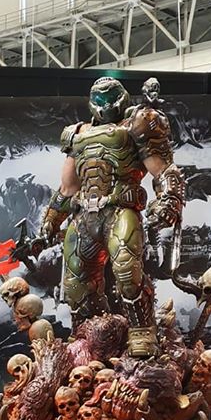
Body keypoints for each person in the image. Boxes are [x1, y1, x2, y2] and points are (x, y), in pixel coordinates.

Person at [40, 76, 185, 357]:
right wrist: (52, 218)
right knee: (77, 284)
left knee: (127, 273)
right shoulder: (76, 133)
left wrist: (169, 200)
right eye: (100, 99)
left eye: (110, 98)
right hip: (84, 216)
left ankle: (142, 331)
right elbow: (68, 187)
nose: (105, 105)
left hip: (120, 210)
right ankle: (90, 335)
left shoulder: (136, 123)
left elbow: (163, 170)